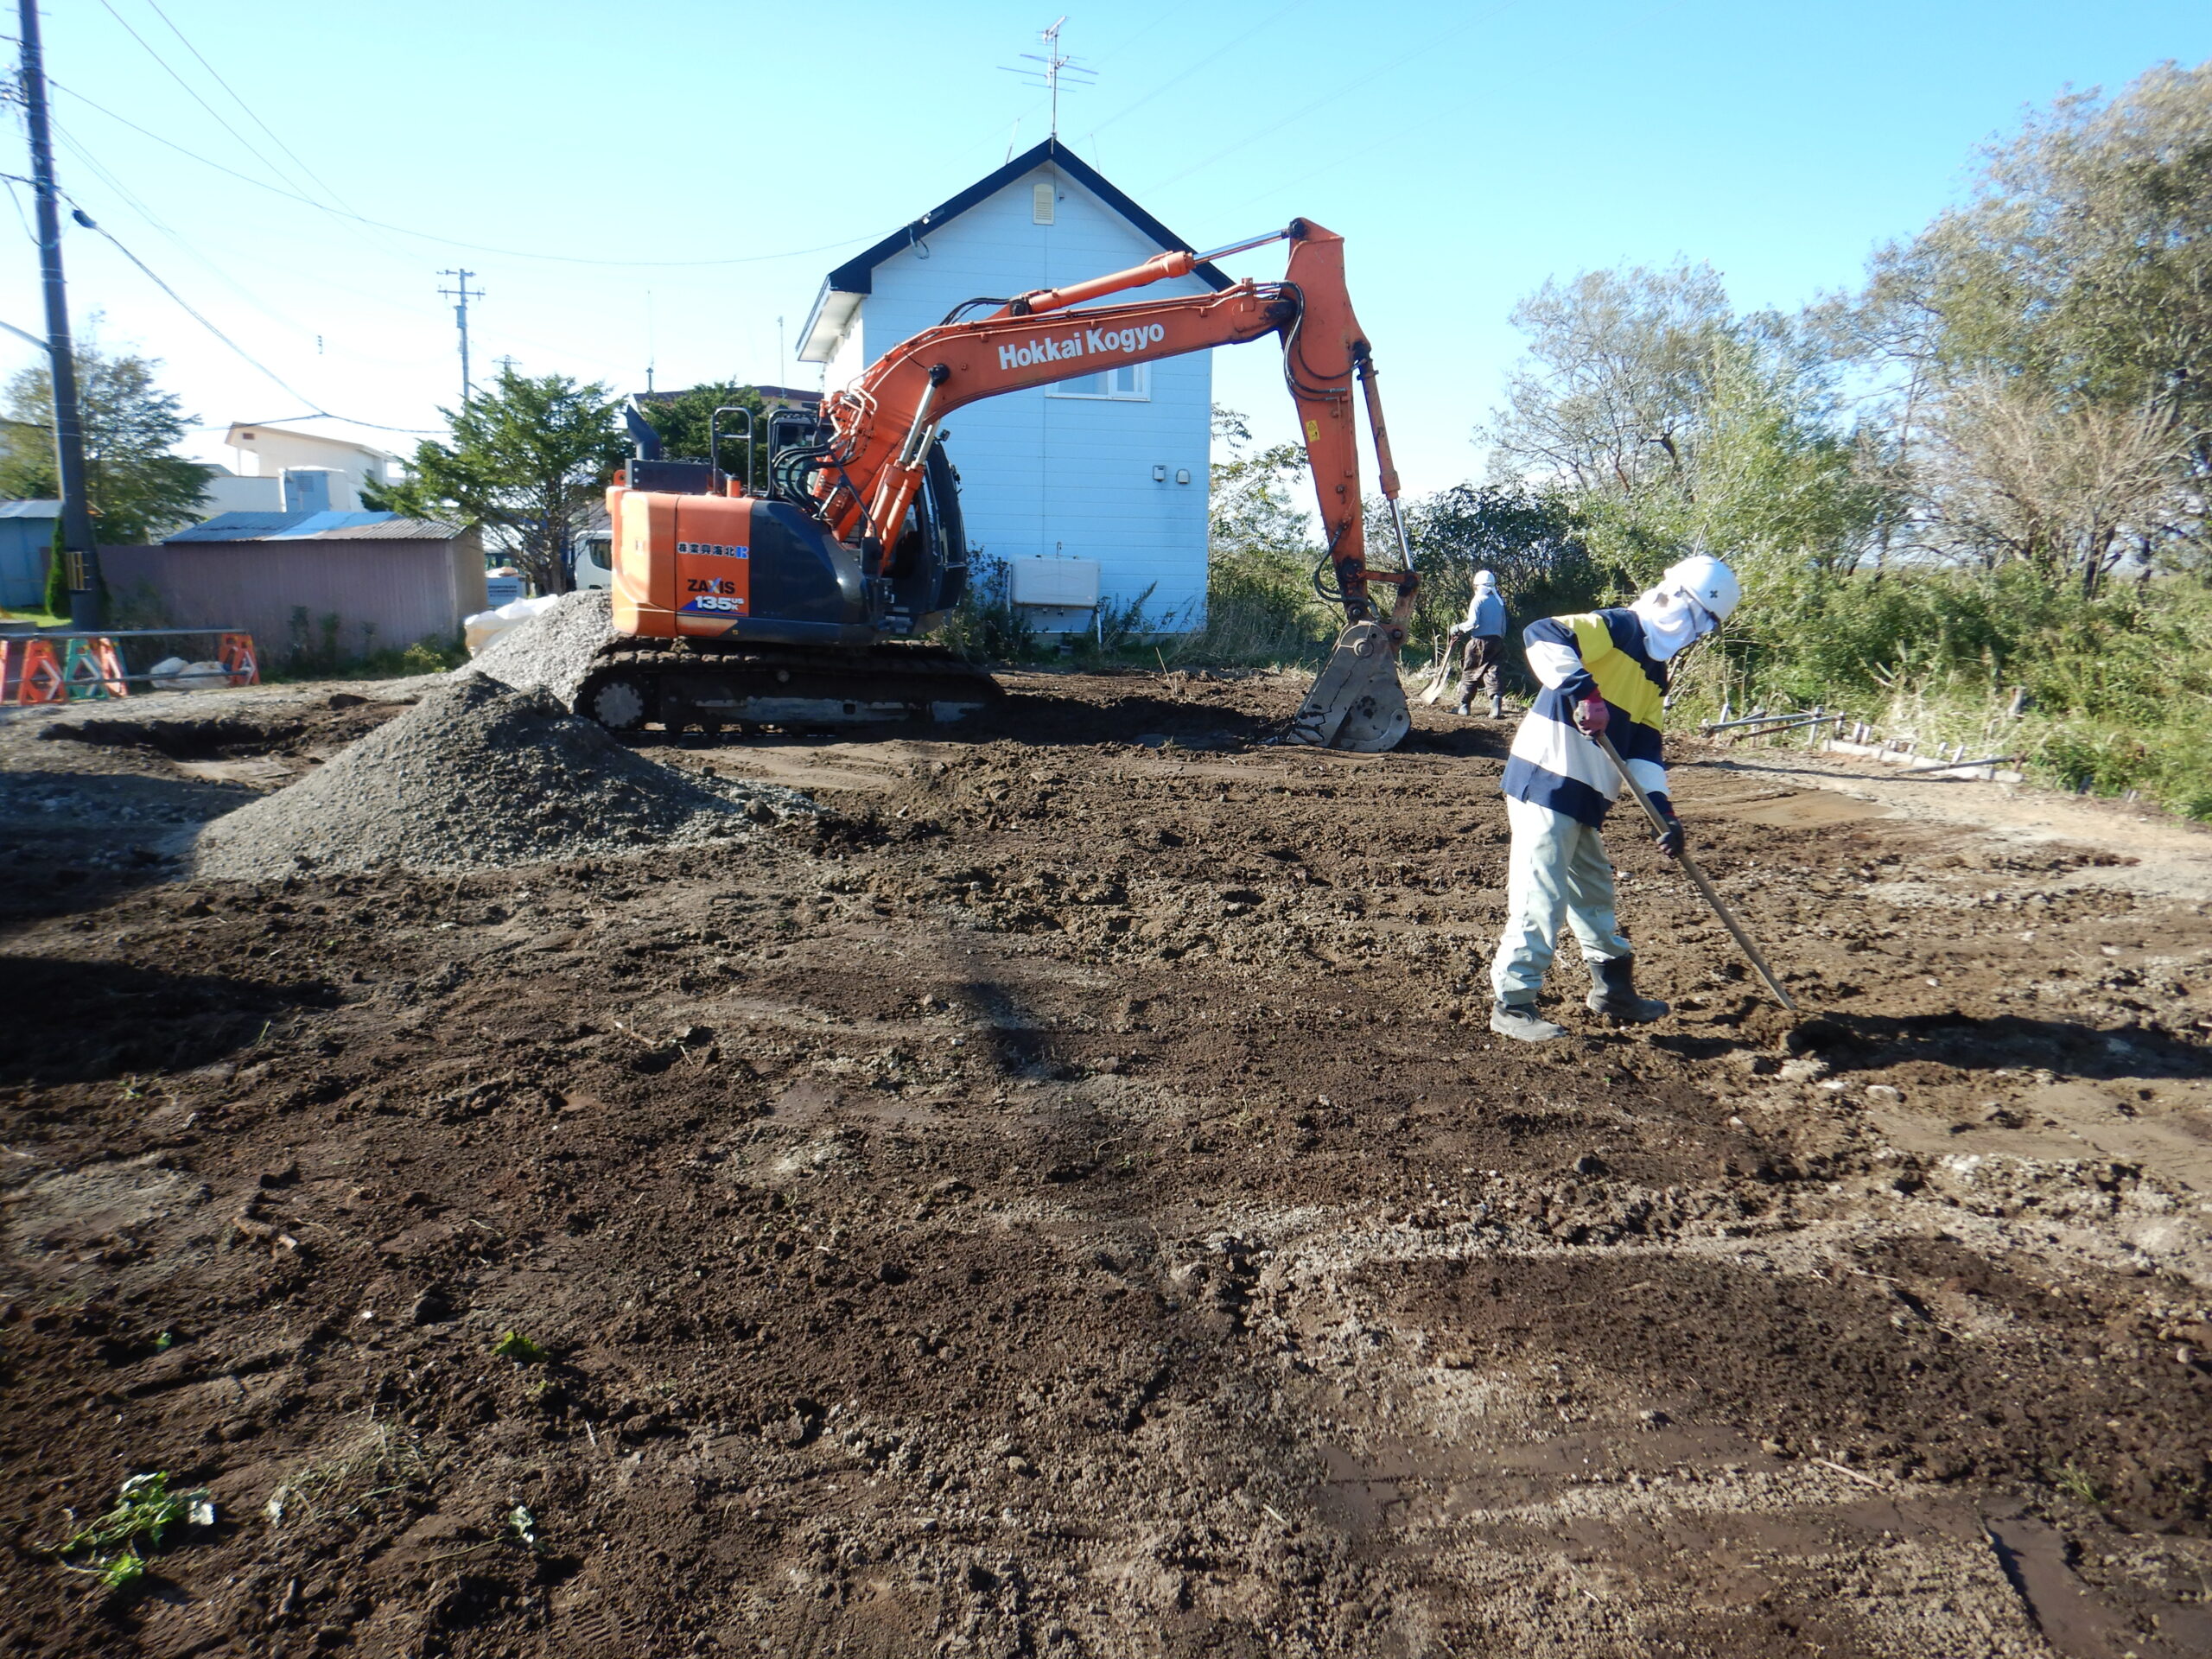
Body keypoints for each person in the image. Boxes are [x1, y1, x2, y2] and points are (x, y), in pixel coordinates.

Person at [1487, 555, 1742, 1042]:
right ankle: (1513, 1004)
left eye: (1704, 626)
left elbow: (1644, 747)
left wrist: (1662, 812)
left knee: (1595, 895)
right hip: (1546, 778)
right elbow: (1544, 633)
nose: (1693, 631)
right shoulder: (1616, 627)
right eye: (1696, 618)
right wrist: (1586, 692)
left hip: (1587, 795)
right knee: (1541, 897)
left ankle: (1613, 990)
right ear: (1674, 598)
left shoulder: (1655, 673)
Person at [1447, 570, 1508, 717]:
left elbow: (1473, 623)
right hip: (1498, 641)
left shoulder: (1478, 600)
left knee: (1470, 672)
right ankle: (1496, 707)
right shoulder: (1499, 602)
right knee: (1494, 672)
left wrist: (1457, 628)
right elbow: (1503, 627)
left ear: (1477, 586)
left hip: (1478, 642)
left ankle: (1464, 706)